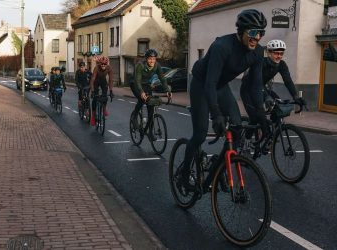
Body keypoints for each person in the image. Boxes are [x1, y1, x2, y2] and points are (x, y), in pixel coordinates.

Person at [178, 9, 268, 190]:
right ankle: (184, 175)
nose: (256, 37)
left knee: (237, 129)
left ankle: (218, 168)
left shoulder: (258, 52)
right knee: (201, 133)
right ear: (241, 30)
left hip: (221, 87)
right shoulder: (222, 46)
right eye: (252, 32)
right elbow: (210, 83)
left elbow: (256, 86)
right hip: (202, 84)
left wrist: (262, 116)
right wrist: (216, 113)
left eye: (260, 33)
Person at [243, 39, 306, 111]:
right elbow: (257, 82)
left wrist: (295, 97)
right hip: (248, 88)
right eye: (276, 53)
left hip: (262, 88)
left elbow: (288, 81)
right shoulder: (261, 63)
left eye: (281, 53)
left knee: (279, 106)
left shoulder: (281, 64)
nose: (279, 56)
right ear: (269, 53)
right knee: (259, 115)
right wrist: (266, 96)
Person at [131, 49, 172, 141]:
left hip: (146, 85)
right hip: (136, 84)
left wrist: (167, 90)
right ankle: (134, 116)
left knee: (151, 106)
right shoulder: (140, 65)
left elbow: (162, 78)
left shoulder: (157, 65)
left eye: (154, 59)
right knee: (142, 99)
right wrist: (141, 92)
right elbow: (137, 81)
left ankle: (150, 132)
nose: (152, 61)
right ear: (146, 59)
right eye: (150, 59)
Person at [89, 56, 114, 126]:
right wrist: (93, 91)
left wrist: (111, 91)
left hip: (103, 81)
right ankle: (93, 116)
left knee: (105, 96)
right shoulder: (96, 68)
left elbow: (111, 80)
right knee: (95, 98)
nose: (103, 65)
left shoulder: (109, 68)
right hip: (96, 81)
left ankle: (104, 108)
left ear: (107, 64)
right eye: (101, 64)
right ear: (99, 64)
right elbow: (92, 80)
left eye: (104, 64)